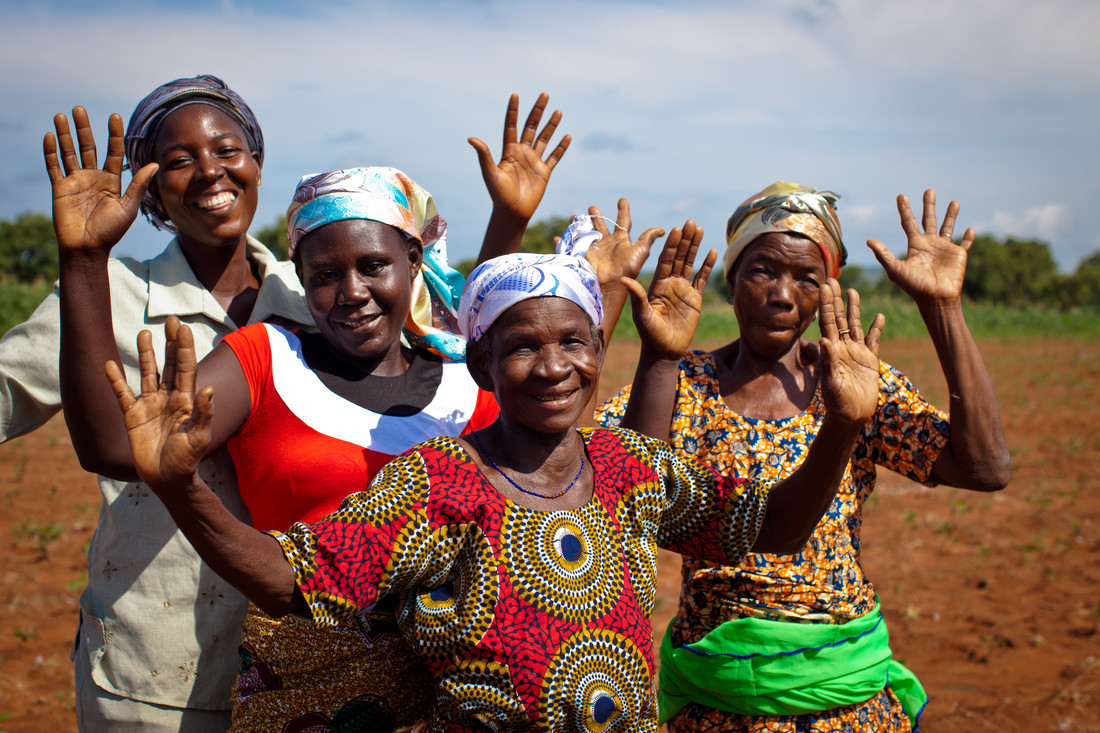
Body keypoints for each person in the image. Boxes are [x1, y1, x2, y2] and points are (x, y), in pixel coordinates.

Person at [105, 226, 887, 731]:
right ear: (481, 362)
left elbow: (774, 527)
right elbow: (288, 579)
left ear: (596, 352)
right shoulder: (440, 482)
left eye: (574, 342)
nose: (553, 366)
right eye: (522, 347)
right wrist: (181, 487)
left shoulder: (630, 468)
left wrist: (844, 426)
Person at [48, 88, 572, 730]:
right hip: (306, 695)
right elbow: (118, 450)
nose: (351, 292)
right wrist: (83, 259)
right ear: (299, 275)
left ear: (414, 260)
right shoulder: (267, 358)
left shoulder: (469, 379)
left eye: (375, 265)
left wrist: (510, 224)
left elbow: (565, 426)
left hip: (459, 695)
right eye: (324, 275)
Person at [598, 182, 1011, 732]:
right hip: (717, 697)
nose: (783, 295)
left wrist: (943, 306)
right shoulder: (684, 384)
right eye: (763, 270)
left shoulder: (851, 383)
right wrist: (657, 357)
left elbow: (984, 467)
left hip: (843, 696)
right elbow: (618, 491)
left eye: (807, 278)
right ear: (733, 280)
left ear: (830, 291)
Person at [0, 74, 317, 732]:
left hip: (307, 669)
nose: (209, 171)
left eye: (228, 149)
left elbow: (446, 362)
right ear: (150, 195)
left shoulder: (313, 297)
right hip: (155, 670)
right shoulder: (106, 296)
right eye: (177, 160)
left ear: (256, 162)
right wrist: (81, 259)